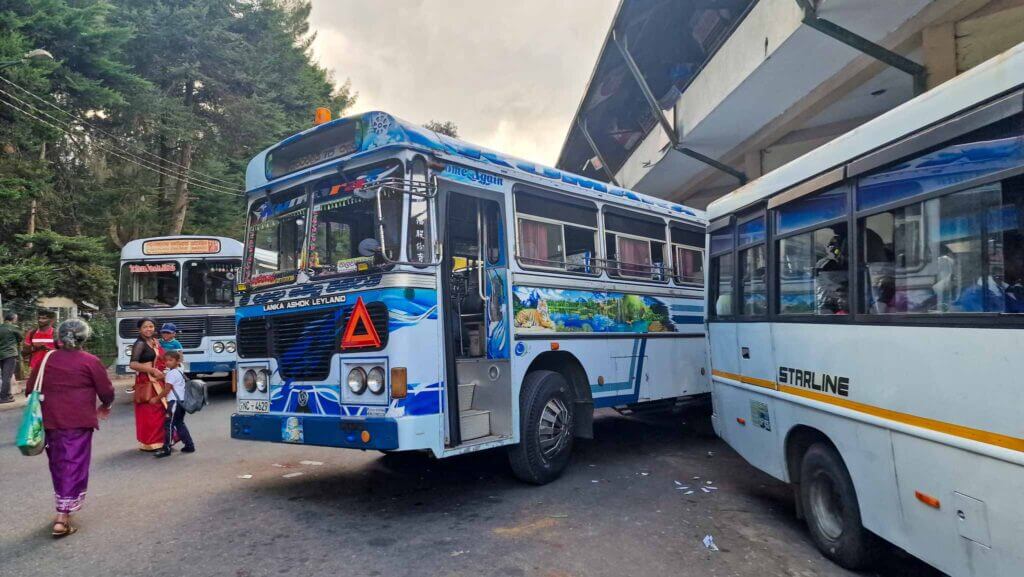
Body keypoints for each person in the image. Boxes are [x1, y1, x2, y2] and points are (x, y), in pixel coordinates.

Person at [25, 319, 114, 537]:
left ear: (59, 337)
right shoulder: (90, 361)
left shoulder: (46, 359)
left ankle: (63, 507)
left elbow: (29, 389)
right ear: (84, 337)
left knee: (59, 464)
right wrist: (104, 405)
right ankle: (62, 515)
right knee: (74, 464)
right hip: (78, 422)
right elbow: (106, 391)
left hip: (50, 422)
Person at [128, 318, 167, 451]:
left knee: (162, 410)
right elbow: (133, 364)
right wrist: (151, 370)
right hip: (146, 381)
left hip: (158, 379)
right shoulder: (139, 344)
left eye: (151, 326)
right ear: (139, 329)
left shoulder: (154, 342)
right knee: (150, 411)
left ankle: (162, 441)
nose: (148, 329)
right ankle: (151, 443)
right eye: (145, 327)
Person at [154, 350, 195, 458]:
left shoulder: (171, 374)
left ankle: (166, 448)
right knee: (179, 423)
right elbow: (170, 377)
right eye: (166, 360)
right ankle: (189, 445)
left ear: (177, 361)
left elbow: (167, 389)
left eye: (170, 360)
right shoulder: (179, 370)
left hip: (174, 403)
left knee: (169, 425)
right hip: (181, 402)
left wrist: (156, 398)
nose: (167, 362)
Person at [0, 312, 23, 403]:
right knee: (7, 376)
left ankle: (8, 395)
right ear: (13, 319)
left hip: (1, 354)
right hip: (10, 354)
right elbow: (20, 338)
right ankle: (3, 397)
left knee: (4, 375)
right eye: (16, 318)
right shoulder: (14, 328)